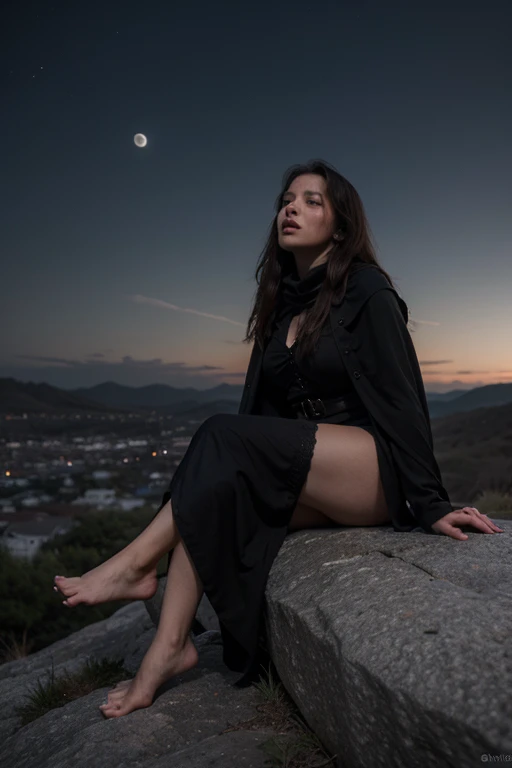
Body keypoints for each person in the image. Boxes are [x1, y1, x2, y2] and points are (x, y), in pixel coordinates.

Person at [53, 159, 504, 719]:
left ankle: (135, 566)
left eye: (312, 201)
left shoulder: (368, 290)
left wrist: (432, 503)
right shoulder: (281, 305)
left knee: (218, 437)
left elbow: (403, 399)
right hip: (311, 462)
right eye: (287, 199)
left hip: (371, 464)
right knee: (216, 490)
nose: (291, 208)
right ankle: (167, 652)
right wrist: (223, 467)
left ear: (340, 227)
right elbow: (259, 415)